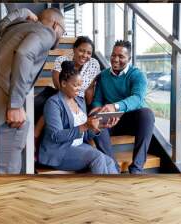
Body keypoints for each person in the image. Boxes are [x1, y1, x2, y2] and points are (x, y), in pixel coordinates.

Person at [0, 8, 65, 174]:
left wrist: (23, 12)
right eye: (63, 31)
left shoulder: (18, 27)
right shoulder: (47, 33)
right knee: (7, 167)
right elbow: (25, 53)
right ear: (56, 25)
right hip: (3, 93)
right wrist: (15, 104)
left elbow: (1, 25)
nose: (62, 36)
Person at [38, 61, 118, 174]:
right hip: (59, 151)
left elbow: (85, 135)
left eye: (81, 85)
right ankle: (102, 191)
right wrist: (85, 125)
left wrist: (101, 126)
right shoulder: (53, 103)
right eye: (76, 85)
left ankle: (116, 191)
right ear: (64, 83)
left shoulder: (80, 101)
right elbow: (56, 136)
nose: (79, 89)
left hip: (79, 146)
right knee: (98, 158)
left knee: (109, 161)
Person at [90, 40, 155, 174]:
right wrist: (97, 108)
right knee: (94, 119)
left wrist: (115, 107)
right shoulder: (103, 76)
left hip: (130, 119)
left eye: (121, 56)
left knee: (147, 114)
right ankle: (114, 168)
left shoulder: (137, 75)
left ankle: (136, 169)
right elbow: (97, 100)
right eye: (113, 55)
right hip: (111, 120)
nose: (115, 59)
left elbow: (137, 99)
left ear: (129, 58)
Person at [34, 36, 101, 141]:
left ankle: (78, 140)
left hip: (79, 97)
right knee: (48, 105)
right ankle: (35, 136)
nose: (85, 55)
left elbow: (90, 88)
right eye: (81, 51)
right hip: (58, 92)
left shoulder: (94, 64)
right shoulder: (62, 60)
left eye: (89, 53)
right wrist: (70, 100)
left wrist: (89, 107)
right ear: (74, 49)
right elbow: (59, 85)